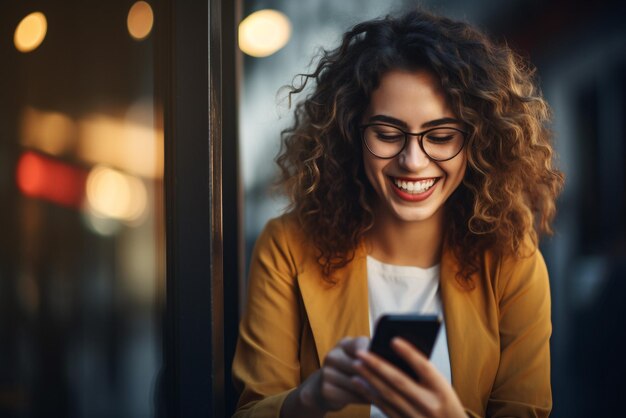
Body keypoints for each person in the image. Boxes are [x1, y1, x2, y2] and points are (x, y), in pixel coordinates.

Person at [232, 8, 563, 418]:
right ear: (352, 132)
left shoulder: (512, 259)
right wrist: (308, 400)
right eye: (388, 135)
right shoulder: (288, 246)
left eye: (440, 137)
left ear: (478, 141)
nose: (412, 161)